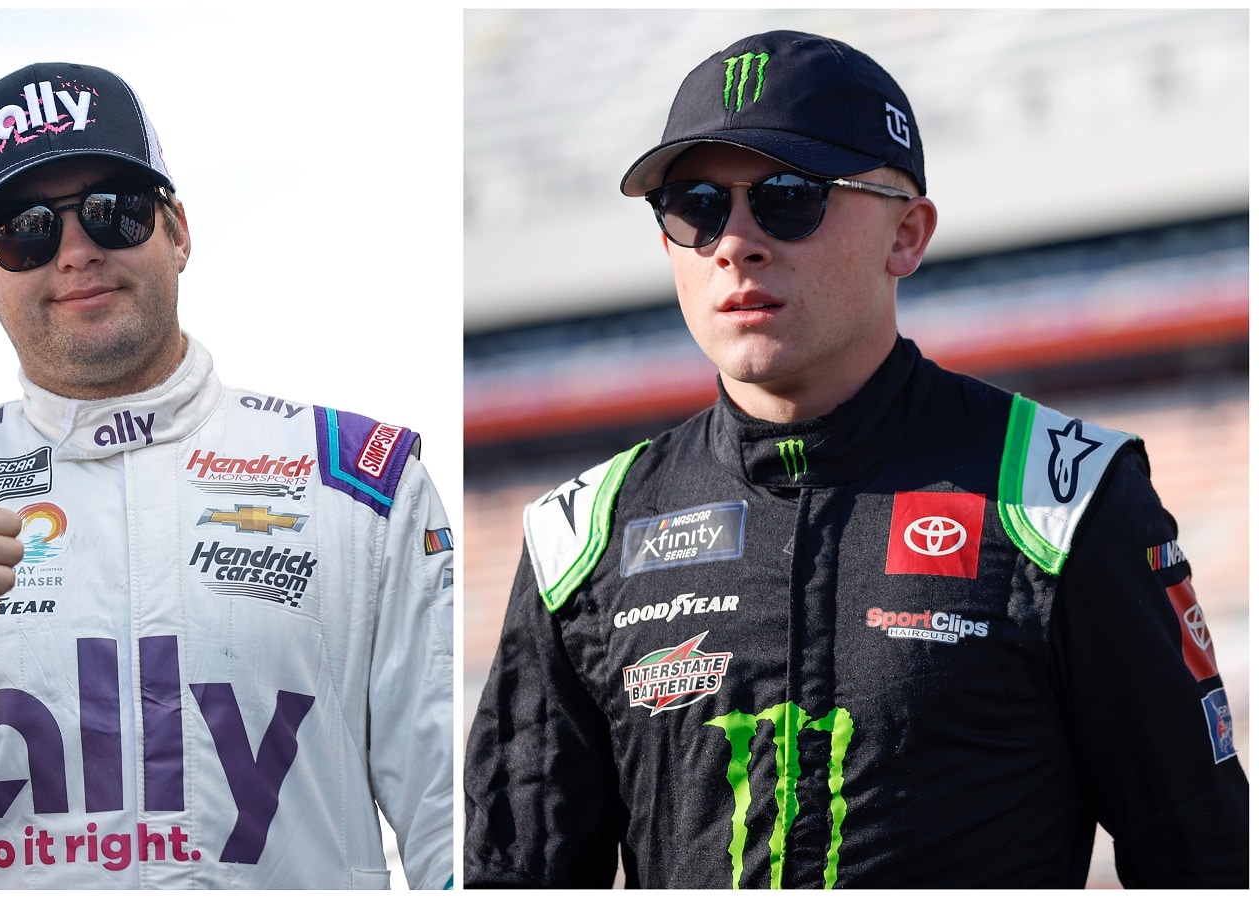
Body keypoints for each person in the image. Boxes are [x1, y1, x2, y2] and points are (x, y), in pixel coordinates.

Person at [463, 30, 1247, 888]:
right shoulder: (580, 538)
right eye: (696, 205)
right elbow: (515, 873)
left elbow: (1198, 854)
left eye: (788, 196)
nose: (735, 242)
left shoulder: (1063, 495)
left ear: (906, 236)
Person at [0, 61, 454, 890]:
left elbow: (460, 825)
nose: (76, 251)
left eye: (115, 212)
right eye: (25, 229)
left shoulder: (361, 483)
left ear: (177, 230)